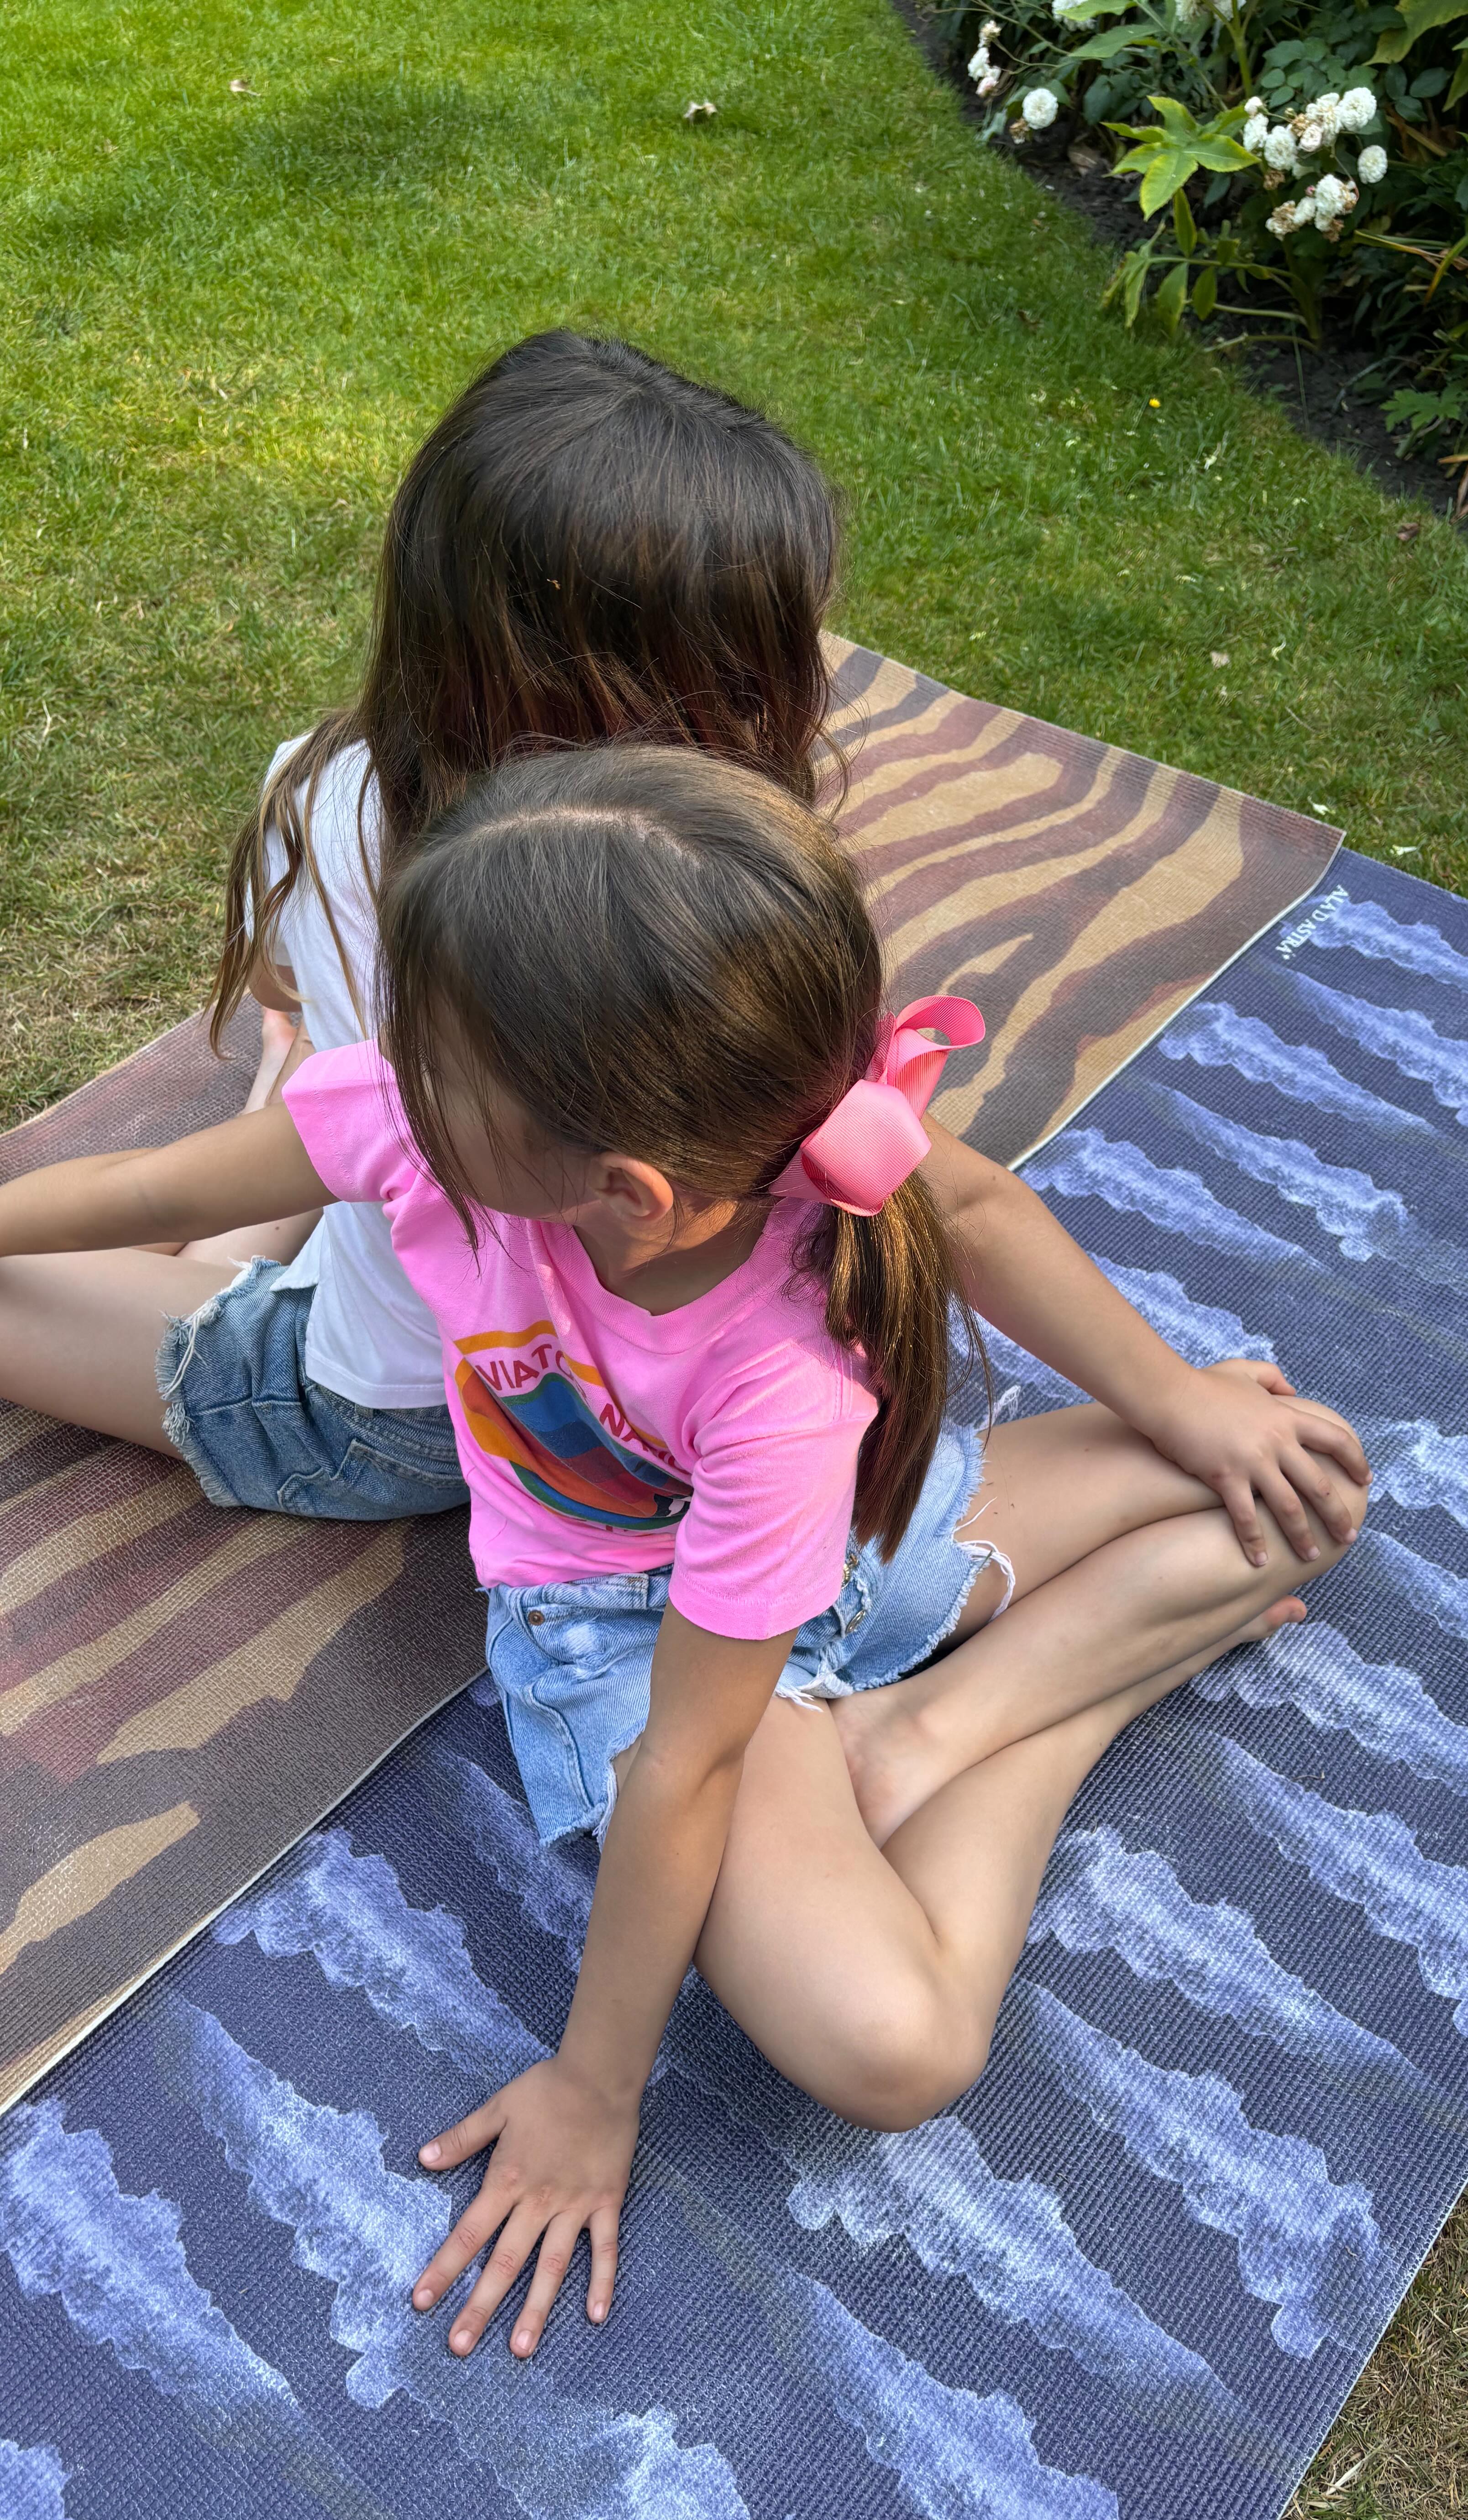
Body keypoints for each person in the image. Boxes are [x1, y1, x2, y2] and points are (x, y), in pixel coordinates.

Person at [0, 744, 1369, 2363]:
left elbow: (689, 1772)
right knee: (1268, 1497)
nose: (390, 1071)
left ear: (628, 1193)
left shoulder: (781, 1380)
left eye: (427, 1052)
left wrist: (594, 2087)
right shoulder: (435, 1119)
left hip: (739, 1606)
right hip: (735, 1581)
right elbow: (151, 1185)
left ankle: (949, 1725)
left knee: (906, 2038)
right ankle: (969, 1709)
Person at [60, 326, 844, 1519]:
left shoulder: (329, 801)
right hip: (656, 1381)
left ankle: (234, 1266)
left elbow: (277, 996)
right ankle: (242, 1247)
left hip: (411, 1417)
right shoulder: (752, 880)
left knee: (310, 1069)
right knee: (337, 1067)